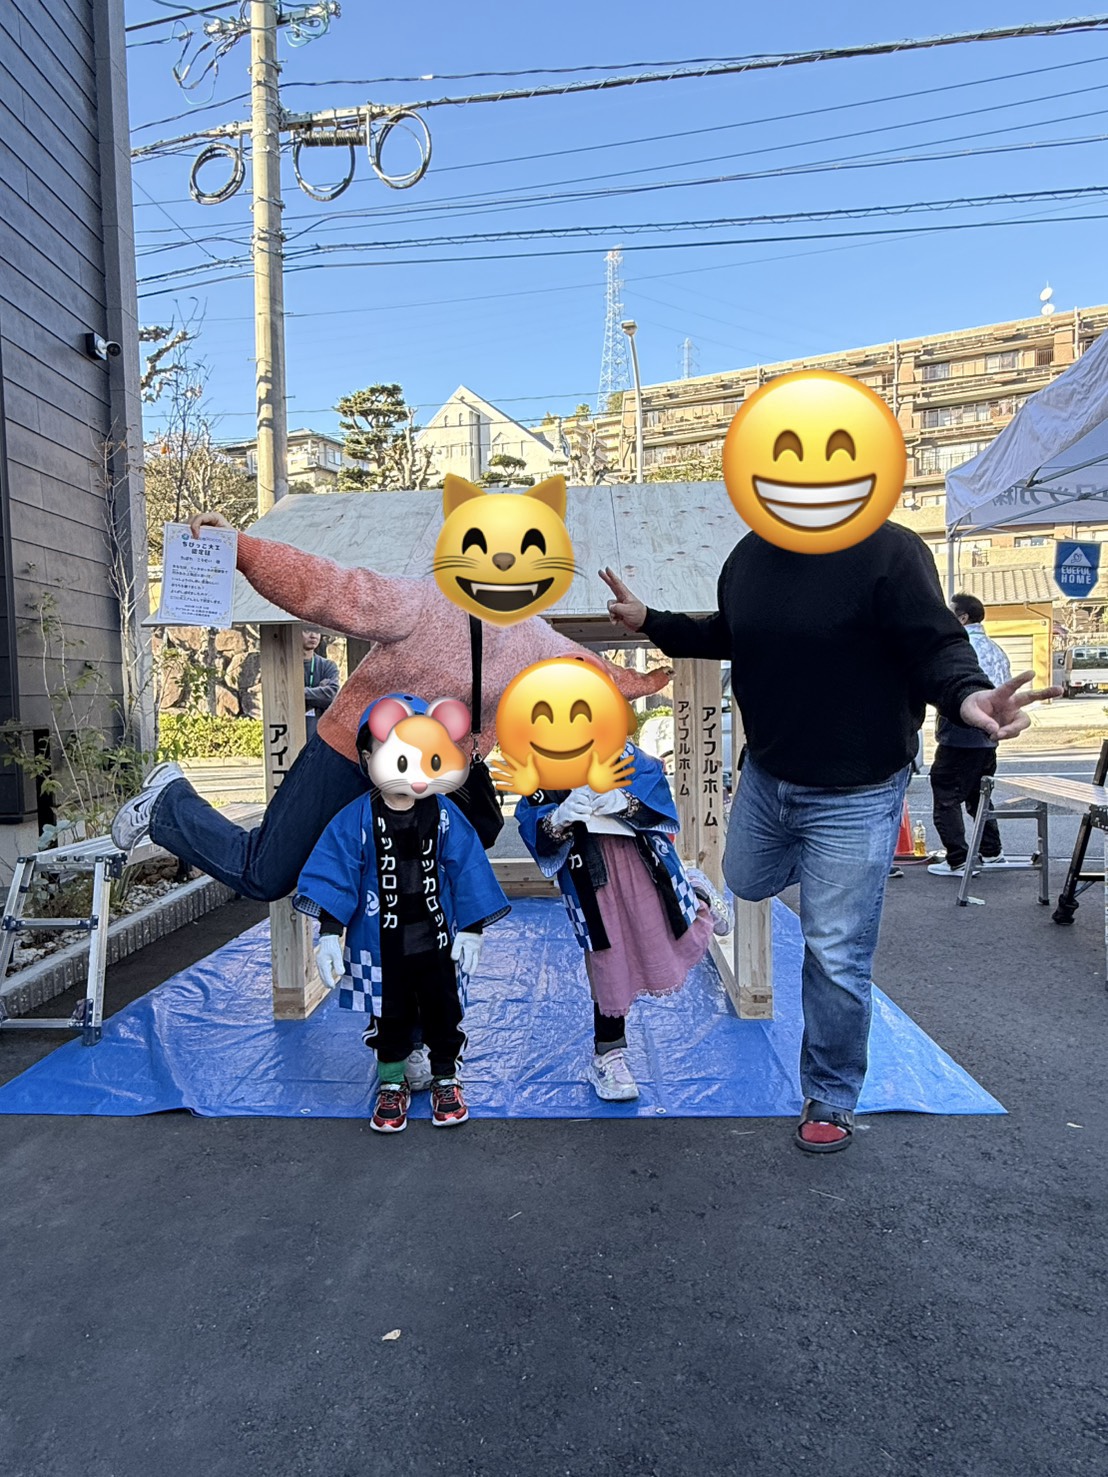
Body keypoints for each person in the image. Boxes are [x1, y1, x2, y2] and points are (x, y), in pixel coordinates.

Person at [599, 526, 1057, 1154]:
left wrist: (967, 693)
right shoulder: (751, 553)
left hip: (857, 790)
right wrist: (651, 621)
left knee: (835, 949)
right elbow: (729, 633)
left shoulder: (890, 552)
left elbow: (936, 645)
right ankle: (823, 866)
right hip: (769, 775)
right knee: (745, 878)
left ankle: (830, 1093)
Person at [111, 510, 669, 901]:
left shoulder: (535, 639)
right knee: (266, 874)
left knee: (434, 878)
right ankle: (168, 803)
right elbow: (329, 588)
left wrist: (647, 680)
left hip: (431, 777)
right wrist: (244, 549)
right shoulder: (421, 603)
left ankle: (412, 1014)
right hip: (350, 758)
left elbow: (587, 671)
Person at [295, 695, 509, 1134]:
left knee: (444, 1014)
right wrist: (330, 932)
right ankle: (392, 1083)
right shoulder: (355, 819)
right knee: (388, 1017)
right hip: (381, 945)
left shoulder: (445, 815)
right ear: (367, 759)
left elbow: (467, 866)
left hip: (437, 941)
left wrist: (471, 928)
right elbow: (337, 872)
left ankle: (446, 1077)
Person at [510, 743, 733, 1103]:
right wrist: (557, 819)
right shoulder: (541, 761)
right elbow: (530, 815)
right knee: (607, 958)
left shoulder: (618, 746)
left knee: (667, 930)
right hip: (588, 875)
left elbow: (653, 781)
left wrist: (625, 802)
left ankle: (698, 899)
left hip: (641, 858)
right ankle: (609, 1053)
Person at [927, 593, 1012, 878]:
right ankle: (992, 851)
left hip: (960, 734)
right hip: (989, 737)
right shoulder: (996, 649)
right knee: (979, 795)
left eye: (950, 612)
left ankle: (958, 859)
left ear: (962, 617)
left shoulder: (960, 648)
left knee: (946, 795)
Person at [302, 627, 339, 743]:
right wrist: (319, 691)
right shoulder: (285, 665)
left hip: (321, 733)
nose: (313, 635)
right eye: (307, 630)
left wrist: (300, 692)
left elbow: (331, 695)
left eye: (317, 631)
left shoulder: (328, 666)